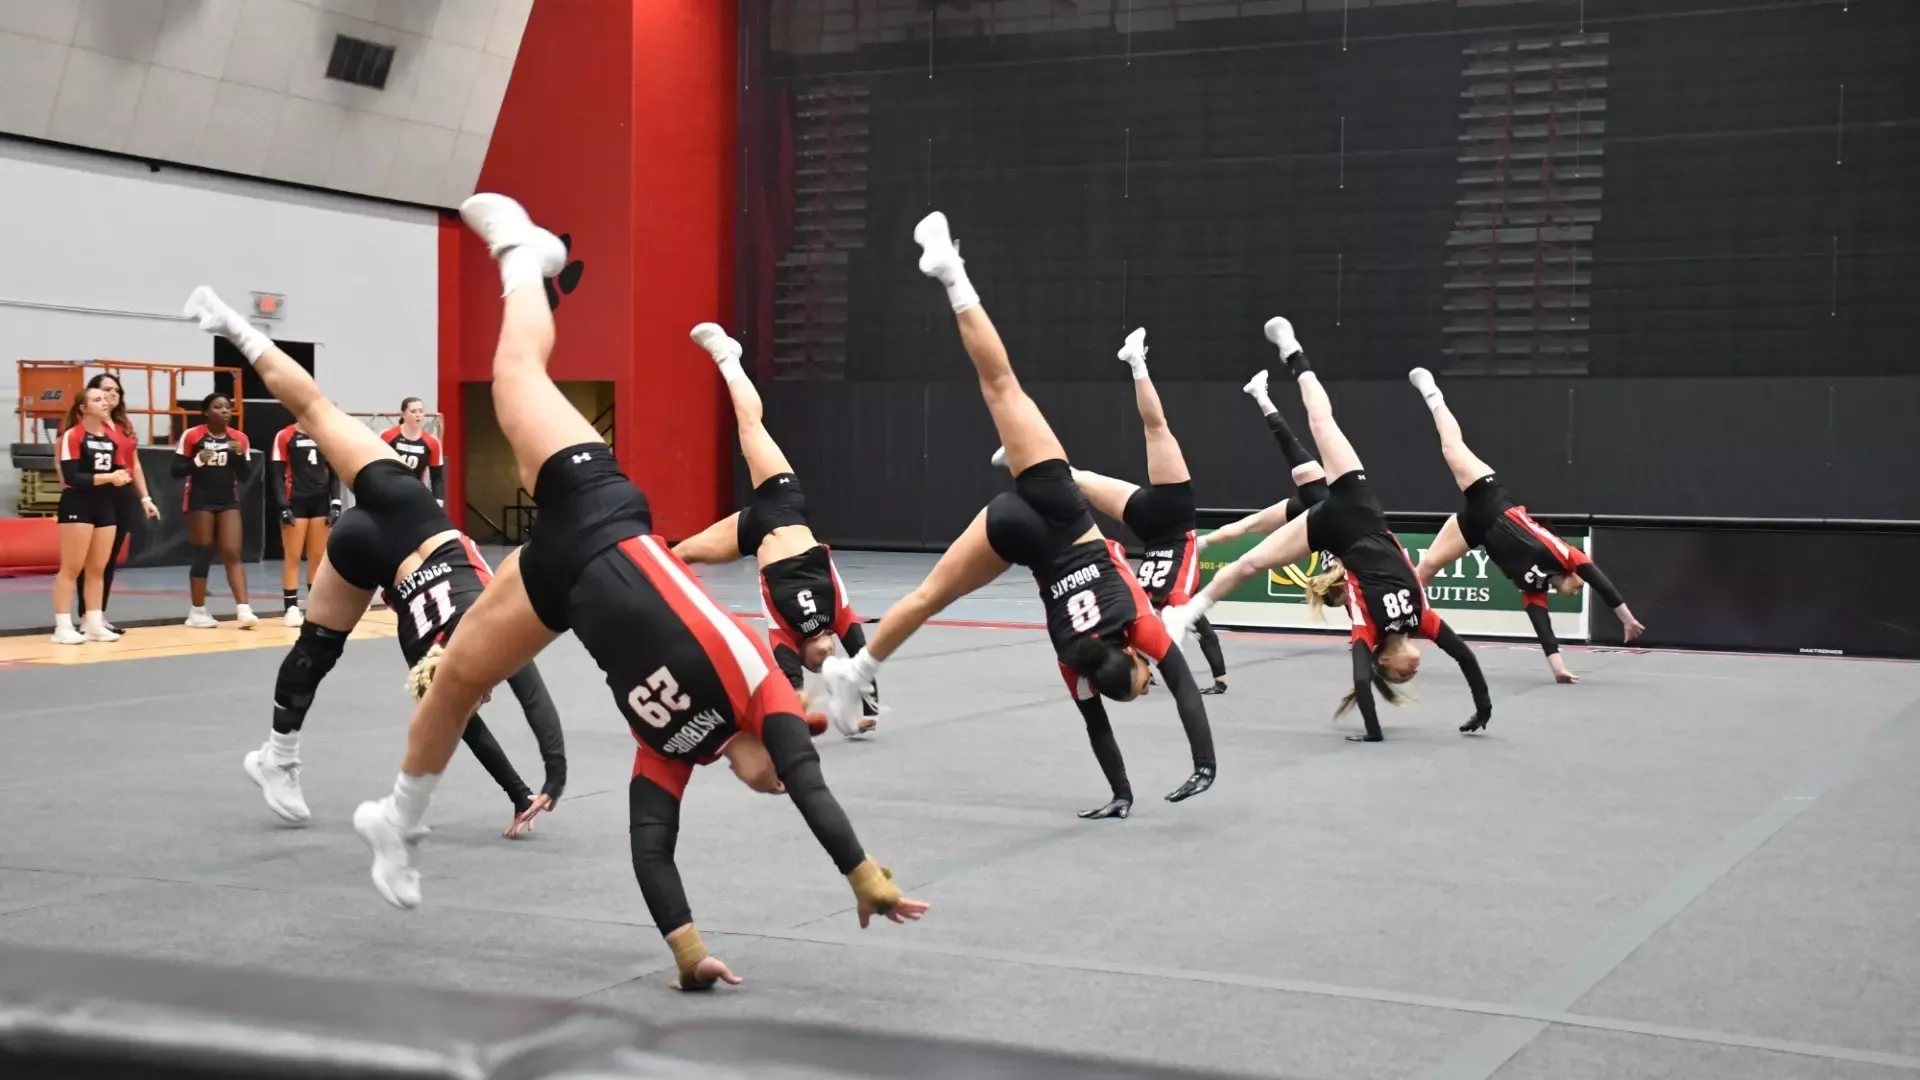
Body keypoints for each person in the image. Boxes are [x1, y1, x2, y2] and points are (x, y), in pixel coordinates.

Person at [344, 193, 925, 992]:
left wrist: (689, 955)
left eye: (772, 780)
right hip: (601, 512)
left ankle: (397, 823)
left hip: (560, 580)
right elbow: (811, 784)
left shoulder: (675, 751)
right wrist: (865, 877)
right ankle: (521, 254)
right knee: (516, 373)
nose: (776, 783)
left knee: (454, 683)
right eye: (783, 774)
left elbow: (651, 847)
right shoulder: (764, 689)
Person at [817, 212, 1218, 819]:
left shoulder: (1139, 624)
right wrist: (1120, 792)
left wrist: (1203, 765)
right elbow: (1098, 730)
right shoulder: (1073, 659)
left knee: (1003, 387)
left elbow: (1186, 688)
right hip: (1017, 533)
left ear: (1135, 658)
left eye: (1143, 681)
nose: (1152, 679)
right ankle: (859, 670)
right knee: (927, 597)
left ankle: (953, 275)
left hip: (1062, 513)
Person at [180, 287, 566, 840]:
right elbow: (502, 707)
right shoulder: (472, 643)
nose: (481, 696)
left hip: (395, 519)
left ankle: (277, 755)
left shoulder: (443, 653)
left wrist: (536, 783)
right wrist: (545, 779)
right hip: (396, 526)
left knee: (316, 411)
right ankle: (276, 757)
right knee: (316, 648)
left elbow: (483, 718)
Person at [1160, 318, 1493, 743]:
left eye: (1401, 677)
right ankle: (1293, 353)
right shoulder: (1422, 621)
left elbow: (1359, 681)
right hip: (1362, 509)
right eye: (1412, 675)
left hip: (1332, 531)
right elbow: (1464, 656)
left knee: (1252, 561)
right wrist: (1483, 707)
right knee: (1322, 423)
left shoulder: (1366, 633)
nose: (1413, 673)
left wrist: (1373, 733)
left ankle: (1184, 614)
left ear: (1383, 666)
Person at [670, 322, 876, 736]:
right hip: (783, 508)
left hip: (751, 532)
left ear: (804, 658)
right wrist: (861, 710)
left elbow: (789, 698)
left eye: (820, 662)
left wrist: (831, 720)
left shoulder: (783, 639)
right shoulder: (839, 616)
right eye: (832, 655)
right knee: (750, 426)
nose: (828, 654)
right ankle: (728, 357)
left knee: (678, 556)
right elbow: (865, 660)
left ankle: (653, 613)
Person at [1002, 327, 1229, 694]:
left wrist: (1167, 650)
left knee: (1154, 431)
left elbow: (1182, 622)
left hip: (1167, 517)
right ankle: (1019, 457)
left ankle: (1137, 361)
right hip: (1150, 525)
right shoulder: (1144, 607)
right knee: (1078, 479)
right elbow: (1175, 627)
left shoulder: (1162, 601)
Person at [1405, 368, 1646, 681]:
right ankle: (1432, 392)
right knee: (1451, 447)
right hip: (1489, 497)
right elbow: (1602, 583)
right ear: (1573, 574)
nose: (1577, 591)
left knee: (1425, 569)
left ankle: (1397, 632)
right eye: (1579, 585)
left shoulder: (1533, 587)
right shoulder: (1565, 554)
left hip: (1475, 528)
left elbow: (1542, 627)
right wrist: (1626, 619)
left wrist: (1558, 669)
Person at [1188, 368, 1344, 601]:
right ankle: (1199, 544)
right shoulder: (1338, 569)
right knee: (1248, 526)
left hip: (1318, 498)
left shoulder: (1348, 567)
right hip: (1312, 510)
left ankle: (1260, 394)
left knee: (1289, 442)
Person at [74, 373, 161, 635]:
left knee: (108, 558)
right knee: (90, 559)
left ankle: (99, 615)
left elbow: (134, 463)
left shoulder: (124, 424)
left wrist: (145, 497)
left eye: (116, 391)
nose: (113, 395)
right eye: (106, 390)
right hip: (97, 490)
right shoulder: (84, 424)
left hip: (122, 492)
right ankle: (85, 616)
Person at [51, 386, 130, 645]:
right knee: (71, 568)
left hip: (104, 504)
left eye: (106, 398)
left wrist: (122, 476)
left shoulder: (111, 437)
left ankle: (94, 623)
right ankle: (62, 626)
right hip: (78, 504)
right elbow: (72, 476)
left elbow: (120, 467)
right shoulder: (72, 436)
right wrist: (110, 477)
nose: (105, 402)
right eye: (97, 399)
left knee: (98, 568)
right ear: (83, 408)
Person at [174, 393, 257, 629]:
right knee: (204, 551)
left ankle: (244, 610)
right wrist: (197, 461)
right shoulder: (192, 435)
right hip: (199, 500)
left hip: (227, 500)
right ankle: (197, 611)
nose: (224, 411)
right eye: (218, 407)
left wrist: (240, 456)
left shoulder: (239, 438)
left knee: (232, 551)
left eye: (228, 407)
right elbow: (176, 470)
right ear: (206, 412)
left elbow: (245, 476)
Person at [271, 422, 344, 627]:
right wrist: (282, 505)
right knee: (292, 556)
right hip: (295, 500)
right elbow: (276, 475)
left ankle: (315, 605)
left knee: (318, 557)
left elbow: (334, 472)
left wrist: (336, 502)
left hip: (320, 502)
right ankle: (291, 608)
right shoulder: (285, 435)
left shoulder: (324, 433)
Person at [381, 398, 445, 505]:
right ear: (403, 414)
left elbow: (437, 477)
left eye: (421, 411)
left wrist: (439, 501)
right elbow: (373, 466)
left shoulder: (432, 442)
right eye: (413, 411)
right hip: (388, 492)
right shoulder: (387, 436)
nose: (418, 415)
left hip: (414, 494)